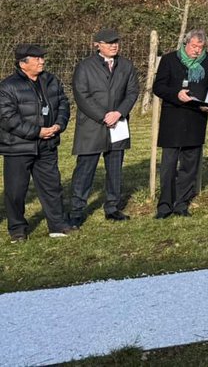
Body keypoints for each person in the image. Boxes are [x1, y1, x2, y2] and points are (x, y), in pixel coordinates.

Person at [0, 44, 76, 241]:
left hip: (47, 145)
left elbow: (63, 104)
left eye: (42, 57)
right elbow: (8, 119)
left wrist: (58, 125)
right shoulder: (7, 87)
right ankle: (17, 229)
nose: (42, 61)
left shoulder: (51, 80)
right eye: (36, 58)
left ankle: (58, 225)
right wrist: (37, 132)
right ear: (23, 63)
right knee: (16, 191)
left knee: (52, 186)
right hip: (18, 147)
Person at [69, 28, 140, 225]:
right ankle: (76, 211)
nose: (113, 45)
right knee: (85, 169)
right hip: (92, 126)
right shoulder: (84, 67)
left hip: (118, 124)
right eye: (109, 43)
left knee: (115, 168)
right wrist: (103, 116)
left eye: (115, 42)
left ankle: (112, 207)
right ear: (97, 45)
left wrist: (119, 113)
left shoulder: (126, 65)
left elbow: (133, 91)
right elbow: (82, 95)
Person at [152, 29, 208, 217]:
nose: (197, 50)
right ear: (185, 43)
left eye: (201, 47)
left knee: (190, 165)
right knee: (168, 165)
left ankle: (181, 203)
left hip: (196, 118)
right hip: (173, 118)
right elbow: (158, 87)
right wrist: (176, 94)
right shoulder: (170, 60)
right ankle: (164, 205)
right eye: (194, 46)